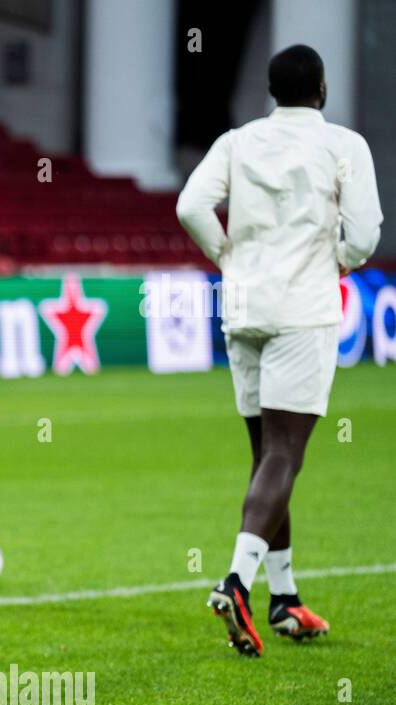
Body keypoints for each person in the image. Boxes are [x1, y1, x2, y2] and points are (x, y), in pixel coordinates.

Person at [176, 44, 382, 656]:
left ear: (271, 90)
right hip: (300, 311)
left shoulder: (238, 141)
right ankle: (237, 582)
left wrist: (224, 254)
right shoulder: (344, 145)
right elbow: (366, 232)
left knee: (267, 455)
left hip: (243, 308)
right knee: (285, 454)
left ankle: (284, 599)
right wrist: (338, 260)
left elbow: (189, 205)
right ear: (320, 88)